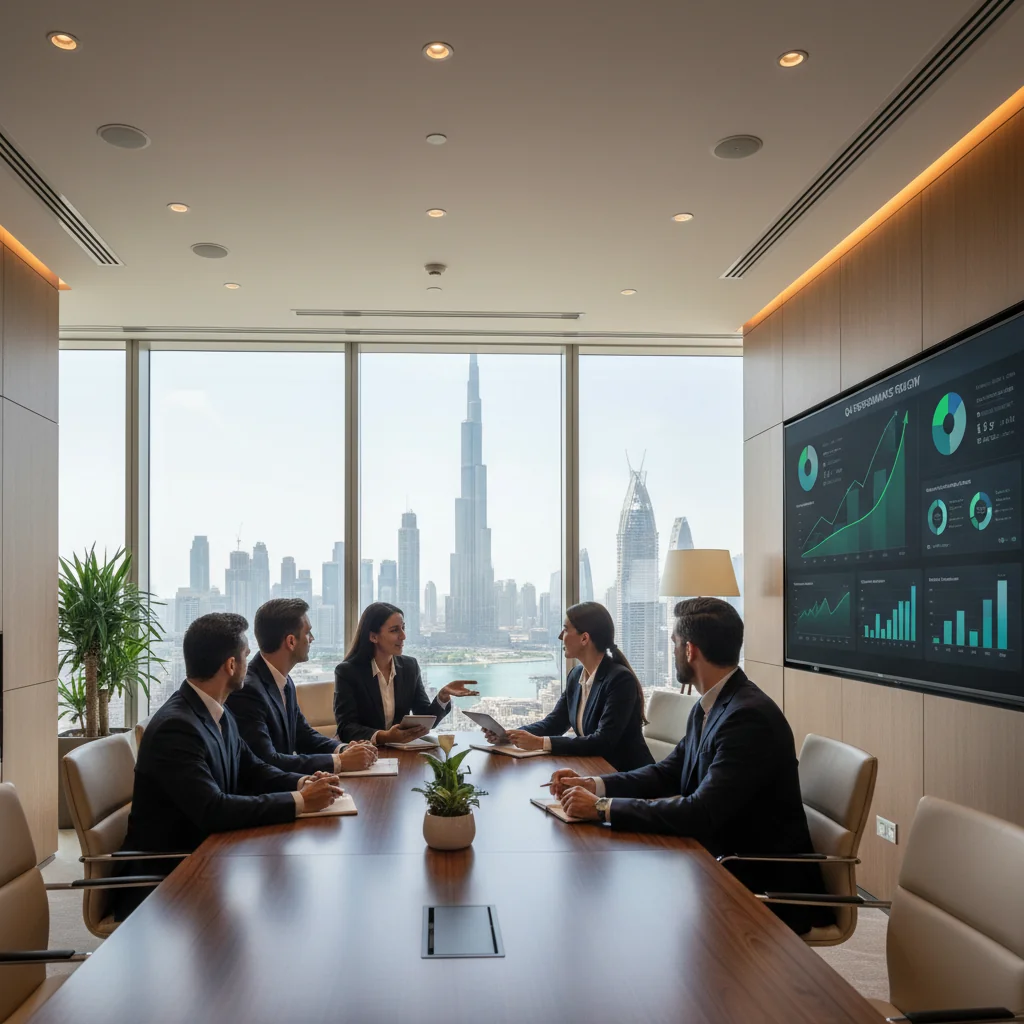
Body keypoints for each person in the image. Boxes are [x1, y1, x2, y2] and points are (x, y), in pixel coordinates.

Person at [550, 597, 832, 935]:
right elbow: (667, 772)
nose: (672, 651)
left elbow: (701, 812)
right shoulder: (712, 704)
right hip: (714, 858)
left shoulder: (747, 717)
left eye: (674, 643)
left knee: (624, 912)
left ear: (689, 650)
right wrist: (593, 784)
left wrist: (600, 808)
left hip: (755, 880)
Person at [114, 613, 343, 920]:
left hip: (212, 857)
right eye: (247, 656)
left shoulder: (217, 711)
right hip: (169, 876)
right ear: (231, 665)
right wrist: (300, 802)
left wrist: (302, 784)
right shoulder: (177, 728)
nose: (251, 665)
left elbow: (253, 768)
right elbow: (214, 810)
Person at [484, 602, 653, 771]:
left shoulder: (620, 680)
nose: (560, 636)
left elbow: (603, 741)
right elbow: (555, 723)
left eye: (565, 629)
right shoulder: (576, 675)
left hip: (629, 778)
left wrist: (540, 743)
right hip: (594, 771)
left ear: (584, 638)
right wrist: (508, 735)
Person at [226, 598, 378, 774]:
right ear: (291, 641)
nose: (312, 639)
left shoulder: (284, 681)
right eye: (308, 633)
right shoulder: (248, 690)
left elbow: (303, 735)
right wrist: (340, 761)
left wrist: (343, 749)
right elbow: (267, 760)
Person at [334, 602, 478, 744]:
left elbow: (424, 720)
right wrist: (386, 737)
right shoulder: (348, 672)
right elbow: (347, 728)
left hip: (400, 752)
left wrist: (443, 696)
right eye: (394, 630)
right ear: (373, 637)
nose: (403, 636)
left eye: (403, 628)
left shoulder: (410, 666)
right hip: (362, 752)